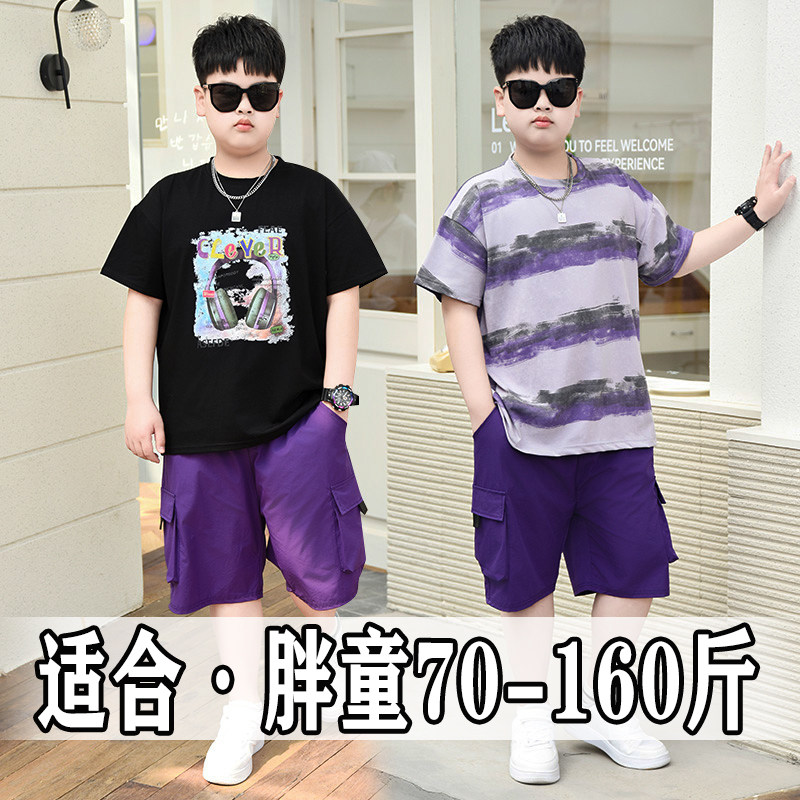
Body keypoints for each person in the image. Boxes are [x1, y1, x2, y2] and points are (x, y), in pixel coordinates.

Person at [414, 13, 794, 786]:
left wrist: (755, 212)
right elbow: (457, 307)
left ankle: (605, 710)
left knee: (633, 571)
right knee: (524, 583)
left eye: (558, 90)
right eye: (525, 90)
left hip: (618, 433)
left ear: (579, 100)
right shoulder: (479, 201)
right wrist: (484, 418)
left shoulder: (619, 192)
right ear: (500, 100)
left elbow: (679, 254)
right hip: (520, 432)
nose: (542, 103)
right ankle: (532, 720)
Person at [100, 14, 386, 785]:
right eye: (226, 94)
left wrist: (336, 402)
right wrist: (137, 399)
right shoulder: (168, 203)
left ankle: (327, 689)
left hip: (298, 424)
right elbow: (142, 304)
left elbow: (345, 292)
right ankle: (244, 711)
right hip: (200, 432)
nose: (243, 108)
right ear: (200, 99)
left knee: (319, 571)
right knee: (228, 580)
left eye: (259, 93)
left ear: (278, 98)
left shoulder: (313, 197)